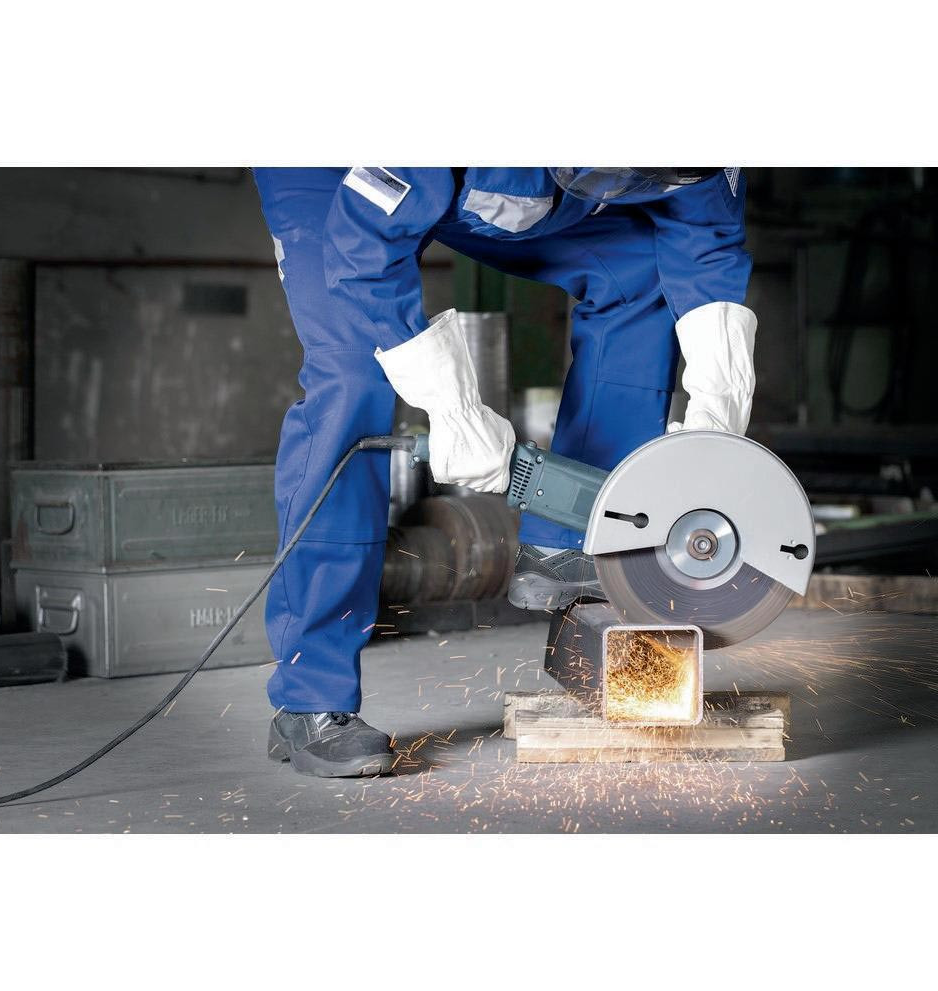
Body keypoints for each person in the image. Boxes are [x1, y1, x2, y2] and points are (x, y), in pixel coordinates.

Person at [252, 167, 757, 777]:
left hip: (480, 184)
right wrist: (452, 408)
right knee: (354, 373)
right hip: (337, 176)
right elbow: (361, 248)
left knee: (639, 278)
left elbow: (707, 242)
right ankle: (312, 697)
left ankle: (572, 540)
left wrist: (719, 408)